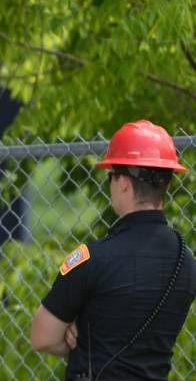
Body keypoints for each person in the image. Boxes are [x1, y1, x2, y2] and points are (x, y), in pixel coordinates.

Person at [30, 120, 196, 380]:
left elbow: (42, 337)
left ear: (124, 183)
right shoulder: (185, 262)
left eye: (111, 176)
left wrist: (81, 340)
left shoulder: (92, 259)